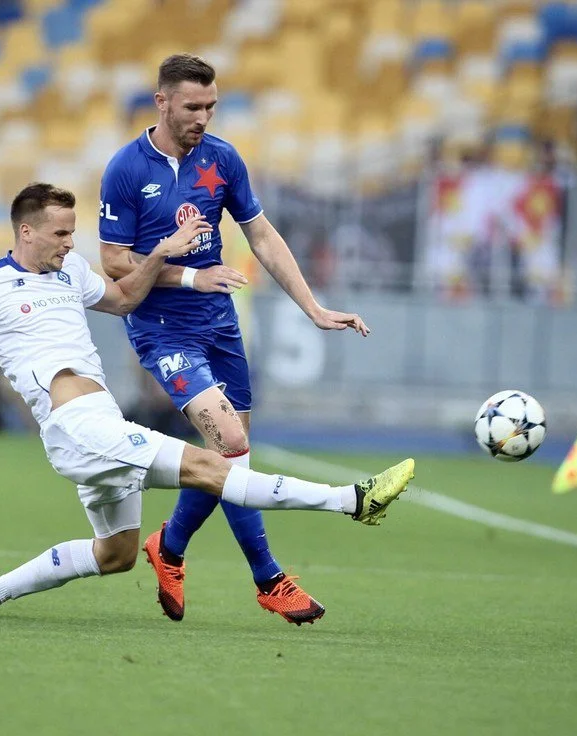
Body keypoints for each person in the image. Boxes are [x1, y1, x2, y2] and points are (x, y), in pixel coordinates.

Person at [0, 183, 414, 618]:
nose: (71, 242)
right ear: (25, 231)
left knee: (117, 554)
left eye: (73, 231)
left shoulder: (71, 272)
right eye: (60, 233)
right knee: (215, 465)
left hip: (98, 425)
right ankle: (351, 501)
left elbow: (122, 300)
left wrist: (161, 255)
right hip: (77, 427)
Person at [99, 54, 370, 625]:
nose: (203, 117)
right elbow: (115, 263)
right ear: (162, 102)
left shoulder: (223, 159)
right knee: (229, 439)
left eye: (211, 106)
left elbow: (262, 236)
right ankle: (269, 578)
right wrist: (187, 274)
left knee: (229, 454)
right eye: (192, 106)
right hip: (161, 328)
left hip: (219, 324)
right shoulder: (126, 169)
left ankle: (170, 547)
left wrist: (313, 307)